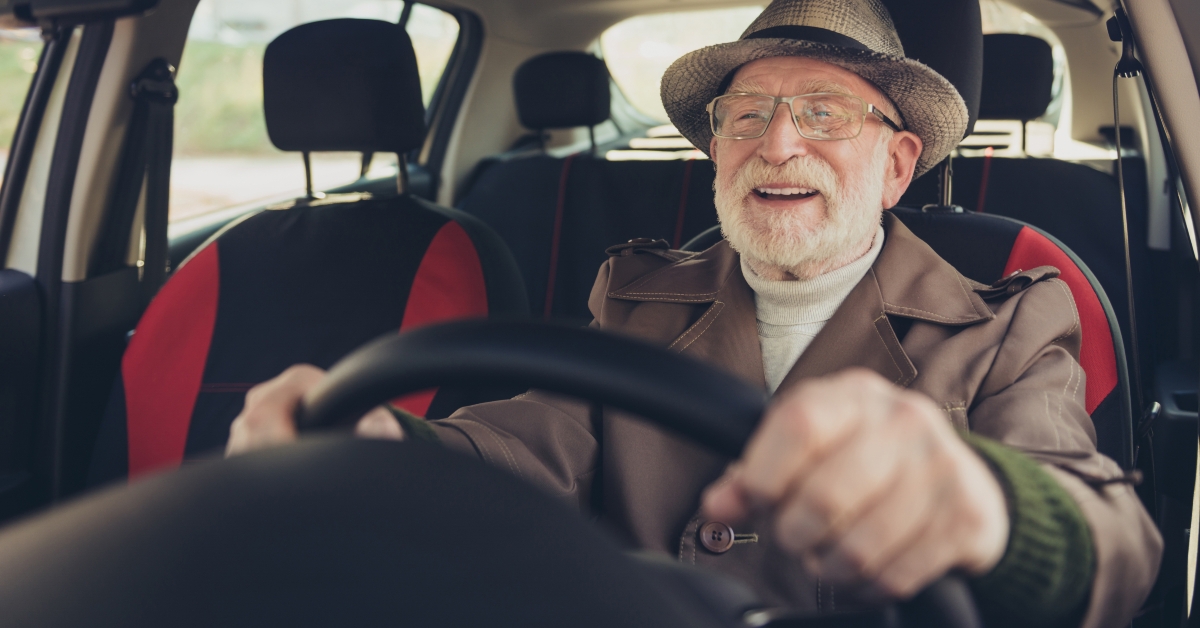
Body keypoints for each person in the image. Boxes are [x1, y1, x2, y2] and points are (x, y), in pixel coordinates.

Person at [225, 0, 1162, 626]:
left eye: (827, 114)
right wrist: (387, 447)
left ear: (898, 166)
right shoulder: (634, 295)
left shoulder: (1012, 319)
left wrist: (987, 504)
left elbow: (1117, 543)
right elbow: (529, 443)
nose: (776, 142)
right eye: (744, 116)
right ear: (716, 154)